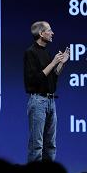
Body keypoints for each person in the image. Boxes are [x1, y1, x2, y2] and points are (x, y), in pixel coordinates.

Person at [24, 21, 70, 162]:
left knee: (51, 145)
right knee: (36, 146)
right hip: (38, 101)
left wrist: (62, 63)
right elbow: (35, 79)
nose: (52, 33)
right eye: (49, 30)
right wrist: (53, 63)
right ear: (41, 33)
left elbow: (52, 76)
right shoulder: (30, 52)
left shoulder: (47, 53)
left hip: (51, 101)